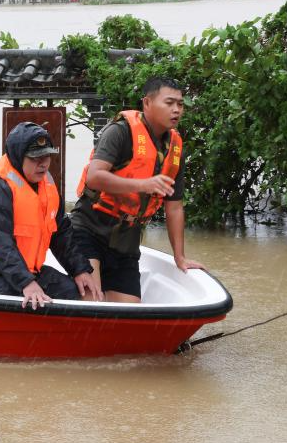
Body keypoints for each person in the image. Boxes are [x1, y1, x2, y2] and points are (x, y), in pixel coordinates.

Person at [71, 76, 205, 303]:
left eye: (180, 104)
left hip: (127, 241)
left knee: (129, 312)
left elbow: (174, 208)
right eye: (169, 103)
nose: (177, 110)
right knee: (92, 300)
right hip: (90, 229)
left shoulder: (175, 149)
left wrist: (180, 258)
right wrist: (142, 184)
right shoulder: (120, 132)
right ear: (147, 103)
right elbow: (94, 177)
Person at [0, 123, 101, 307]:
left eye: (47, 156)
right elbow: (0, 243)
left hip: (25, 269)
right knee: (19, 300)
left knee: (74, 292)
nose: (43, 163)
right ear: (18, 156)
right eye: (35, 158)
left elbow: (62, 233)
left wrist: (79, 270)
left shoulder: (48, 186)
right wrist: (26, 283)